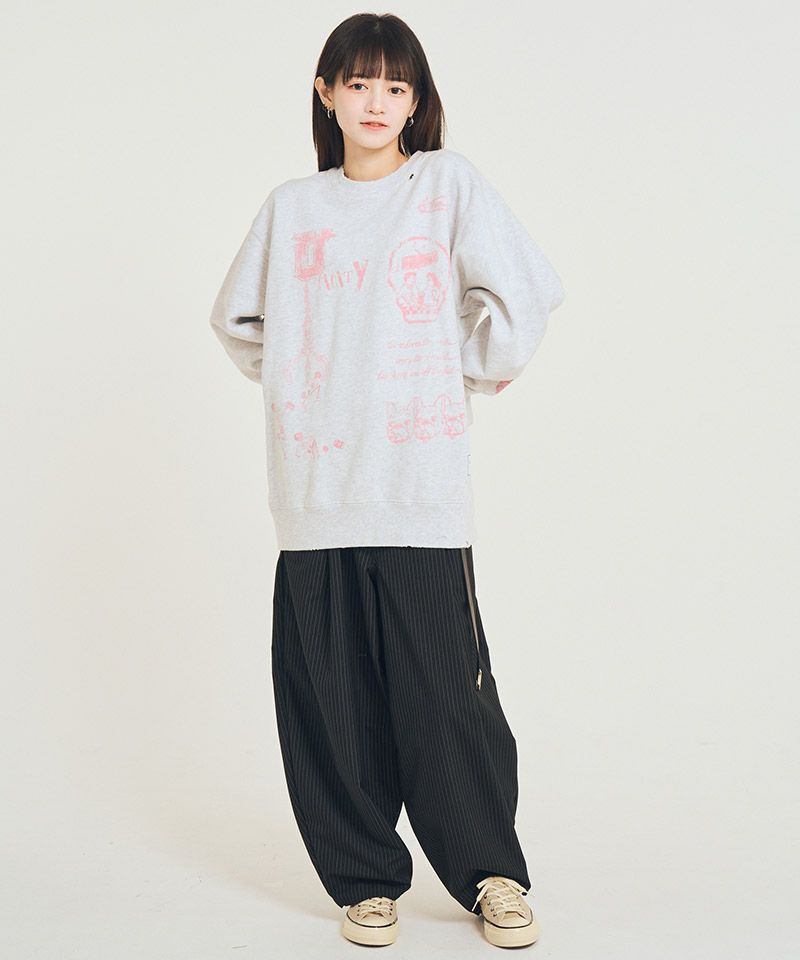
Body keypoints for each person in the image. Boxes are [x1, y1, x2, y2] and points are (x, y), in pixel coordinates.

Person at [208, 12, 565, 950]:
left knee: (447, 696)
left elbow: (525, 291)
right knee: (332, 702)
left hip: (420, 487)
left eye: (396, 86)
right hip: (315, 491)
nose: (377, 102)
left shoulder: (443, 185)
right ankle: (365, 882)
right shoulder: (293, 207)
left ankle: (490, 873)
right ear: (325, 92)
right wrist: (309, 384)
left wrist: (459, 367)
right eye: (359, 82)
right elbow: (237, 319)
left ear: (417, 101)